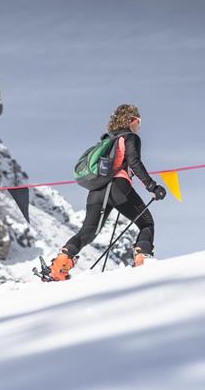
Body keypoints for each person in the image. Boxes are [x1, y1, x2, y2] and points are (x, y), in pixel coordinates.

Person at [48, 103, 166, 281]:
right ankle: (143, 259)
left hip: (96, 190)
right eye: (138, 121)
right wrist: (152, 186)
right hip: (118, 187)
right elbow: (134, 162)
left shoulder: (107, 141)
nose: (139, 126)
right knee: (146, 223)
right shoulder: (130, 138)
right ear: (132, 120)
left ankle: (60, 265)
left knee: (87, 233)